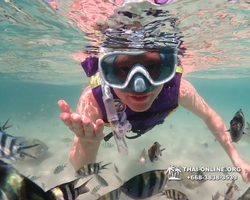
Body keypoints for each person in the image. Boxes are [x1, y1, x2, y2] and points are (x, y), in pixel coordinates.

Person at [58, 4, 250, 184]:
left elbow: (210, 117)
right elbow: (80, 168)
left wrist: (236, 159)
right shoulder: (94, 101)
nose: (140, 85)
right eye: (123, 70)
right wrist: (88, 144)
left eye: (153, 67)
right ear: (107, 73)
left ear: (168, 69)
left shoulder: (178, 90)